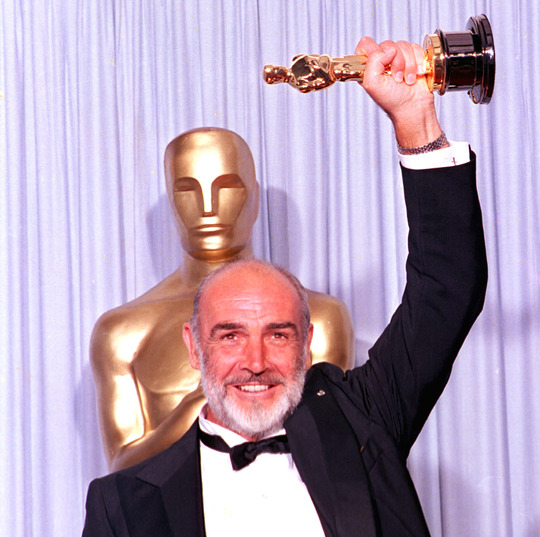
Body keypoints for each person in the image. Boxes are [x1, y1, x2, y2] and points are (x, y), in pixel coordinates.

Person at [83, 36, 487, 537]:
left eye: (278, 334)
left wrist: (415, 120)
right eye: (230, 335)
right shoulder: (122, 504)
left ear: (307, 341)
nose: (255, 361)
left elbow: (446, 288)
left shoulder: (361, 424)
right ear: (193, 346)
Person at [90, 127, 354, 472]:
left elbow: (332, 450)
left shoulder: (321, 317)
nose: (207, 208)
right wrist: (202, 407)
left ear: (255, 199)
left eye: (228, 187)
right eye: (187, 190)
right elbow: (121, 472)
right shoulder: (122, 333)